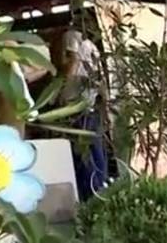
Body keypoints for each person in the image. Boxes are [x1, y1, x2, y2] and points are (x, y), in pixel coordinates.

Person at [59, 12, 108, 200]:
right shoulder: (93, 47)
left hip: (76, 104)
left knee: (83, 153)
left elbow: (72, 62)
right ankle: (100, 190)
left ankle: (89, 195)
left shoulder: (71, 36)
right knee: (96, 149)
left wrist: (62, 90)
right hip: (91, 103)